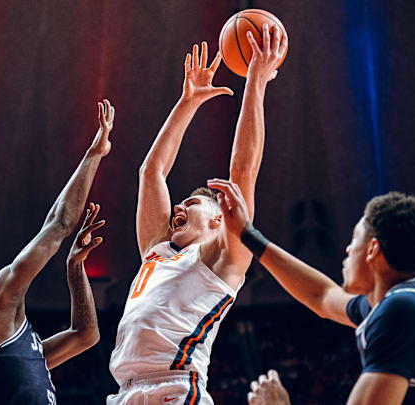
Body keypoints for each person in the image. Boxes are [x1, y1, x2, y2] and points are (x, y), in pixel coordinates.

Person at [107, 25, 288, 405]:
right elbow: (152, 171)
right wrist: (187, 102)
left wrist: (255, 81)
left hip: (175, 388)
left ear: (219, 219)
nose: (179, 206)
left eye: (191, 203)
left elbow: (243, 171)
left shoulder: (222, 260)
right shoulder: (157, 253)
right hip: (125, 392)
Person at [207, 178, 415, 404]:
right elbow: (320, 296)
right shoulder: (402, 304)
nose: (347, 250)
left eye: (355, 238)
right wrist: (247, 234)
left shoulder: (404, 310)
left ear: (373, 249)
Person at [0, 100, 114, 404]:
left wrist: (74, 267)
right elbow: (58, 225)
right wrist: (94, 155)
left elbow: (85, 336)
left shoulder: (9, 344)